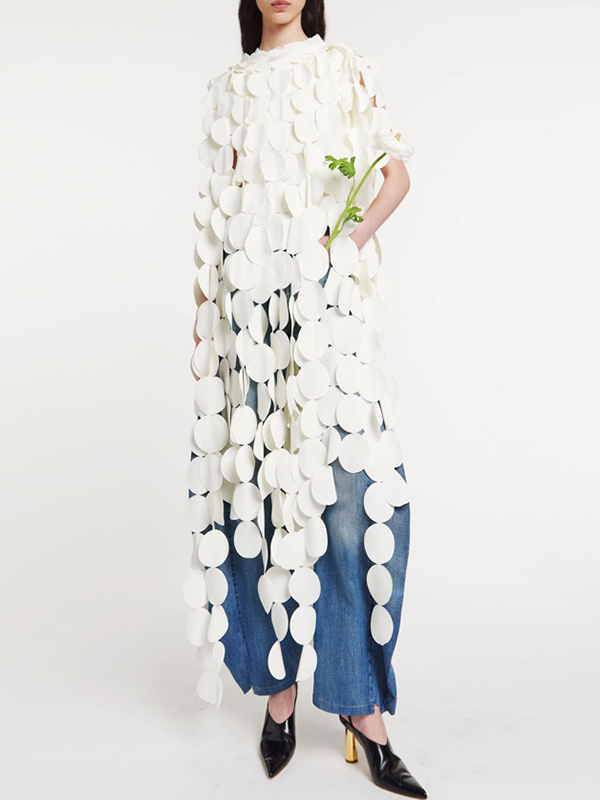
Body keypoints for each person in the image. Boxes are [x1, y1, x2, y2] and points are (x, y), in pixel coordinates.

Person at [183, 1, 427, 796]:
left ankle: (361, 705)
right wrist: (208, 324)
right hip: (247, 320)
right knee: (251, 500)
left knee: (356, 499)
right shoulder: (231, 87)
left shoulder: (342, 69)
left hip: (327, 319)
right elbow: (219, 220)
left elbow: (393, 175)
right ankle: (278, 691)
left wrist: (339, 249)